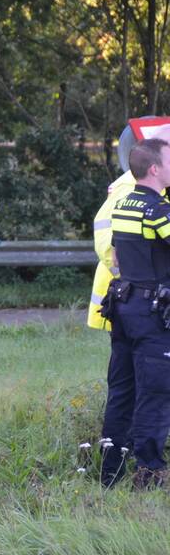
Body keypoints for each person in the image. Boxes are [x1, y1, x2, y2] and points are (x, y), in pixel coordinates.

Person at [106, 137, 170, 489]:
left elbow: (117, 255)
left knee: (122, 390)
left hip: (124, 307)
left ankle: (110, 471)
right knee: (155, 392)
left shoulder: (124, 204)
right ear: (155, 169)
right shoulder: (157, 210)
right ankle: (149, 474)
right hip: (150, 313)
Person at [90, 168, 137, 486]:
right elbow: (107, 242)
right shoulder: (129, 186)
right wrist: (139, 277)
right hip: (129, 302)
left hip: (135, 301)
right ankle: (117, 465)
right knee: (128, 386)